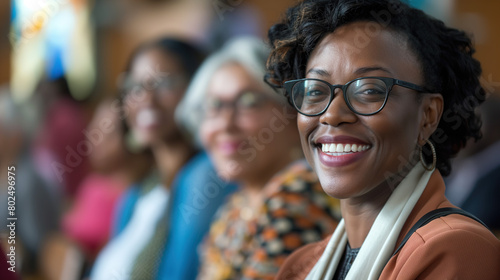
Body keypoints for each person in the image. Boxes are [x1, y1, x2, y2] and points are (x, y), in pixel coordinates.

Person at [264, 0, 500, 279]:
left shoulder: (456, 250)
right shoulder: (301, 267)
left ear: (427, 116)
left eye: (369, 90)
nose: (332, 114)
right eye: (316, 90)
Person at [178, 37, 341, 280]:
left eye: (248, 102)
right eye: (213, 106)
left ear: (291, 111)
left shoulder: (297, 195)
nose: (225, 123)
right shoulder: (237, 205)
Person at [90, 37, 235, 280]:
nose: (147, 100)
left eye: (165, 84)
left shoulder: (205, 175)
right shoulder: (137, 194)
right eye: (135, 88)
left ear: (199, 88)